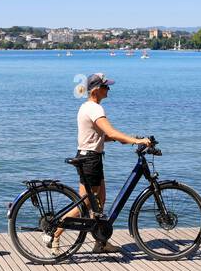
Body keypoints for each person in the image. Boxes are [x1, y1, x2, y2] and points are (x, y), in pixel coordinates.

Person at [58, 72, 154, 253]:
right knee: (86, 204)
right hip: (90, 160)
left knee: (99, 201)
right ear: (96, 90)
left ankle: (100, 242)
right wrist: (138, 141)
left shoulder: (85, 107)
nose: (108, 89)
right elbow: (110, 132)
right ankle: (56, 232)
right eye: (106, 86)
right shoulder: (95, 109)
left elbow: (100, 136)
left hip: (88, 156)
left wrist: (128, 138)